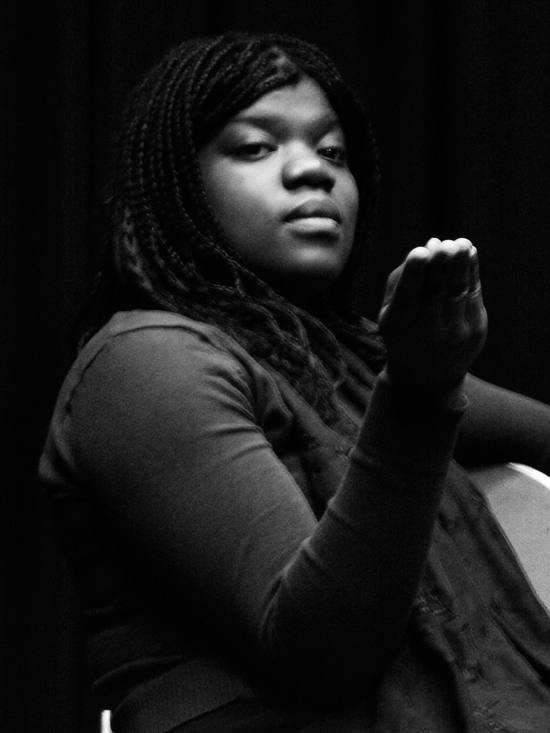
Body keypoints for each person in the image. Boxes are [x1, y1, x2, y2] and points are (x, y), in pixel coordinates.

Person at [39, 31, 550, 733]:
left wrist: (419, 383)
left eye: (333, 152)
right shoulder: (147, 362)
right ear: (176, 183)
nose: (313, 171)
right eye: (256, 146)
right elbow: (320, 649)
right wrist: (418, 393)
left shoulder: (350, 362)